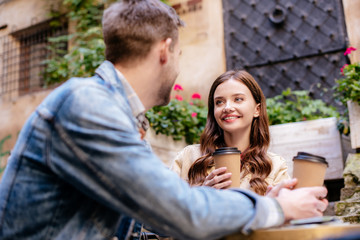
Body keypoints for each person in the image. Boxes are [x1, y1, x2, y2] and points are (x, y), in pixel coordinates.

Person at [0, 1, 328, 240]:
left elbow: (151, 217)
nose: (177, 67)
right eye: (179, 56)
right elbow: (182, 213)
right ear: (164, 50)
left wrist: (261, 203)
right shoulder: (87, 106)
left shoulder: (109, 112)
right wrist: (278, 209)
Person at [171, 70, 290, 195]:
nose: (227, 107)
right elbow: (165, 208)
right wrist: (201, 195)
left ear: (257, 109)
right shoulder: (188, 158)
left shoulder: (275, 167)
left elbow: (286, 211)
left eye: (238, 99)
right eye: (219, 102)